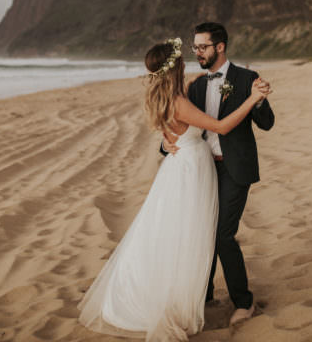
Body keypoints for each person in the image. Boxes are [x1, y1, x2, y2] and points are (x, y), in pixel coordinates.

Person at [77, 37, 271, 341]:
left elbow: (173, 135)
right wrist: (250, 99)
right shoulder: (178, 101)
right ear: (175, 66)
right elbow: (219, 127)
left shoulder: (164, 96)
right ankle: (192, 296)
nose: (188, 60)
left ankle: (194, 292)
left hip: (179, 168)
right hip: (191, 169)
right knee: (192, 233)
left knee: (179, 233)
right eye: (182, 59)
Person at [162, 22, 274, 325]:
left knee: (223, 233)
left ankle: (244, 301)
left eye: (202, 46)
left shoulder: (247, 78)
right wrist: (166, 144)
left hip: (235, 167)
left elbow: (266, 123)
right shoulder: (196, 86)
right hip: (202, 170)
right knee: (203, 231)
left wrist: (259, 99)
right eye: (195, 47)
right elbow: (181, 123)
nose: (196, 52)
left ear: (220, 47)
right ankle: (205, 294)